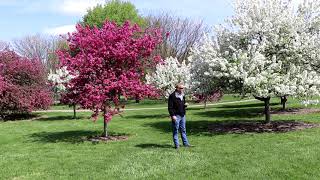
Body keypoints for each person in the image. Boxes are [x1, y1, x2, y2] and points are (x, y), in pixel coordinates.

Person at [168, 83, 191, 149]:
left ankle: (186, 144)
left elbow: (182, 104)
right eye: (181, 88)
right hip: (176, 116)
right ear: (177, 88)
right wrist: (173, 115)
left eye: (183, 88)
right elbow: (170, 107)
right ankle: (177, 145)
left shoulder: (183, 95)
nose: (182, 89)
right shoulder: (172, 96)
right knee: (175, 130)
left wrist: (185, 105)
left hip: (182, 115)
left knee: (183, 130)